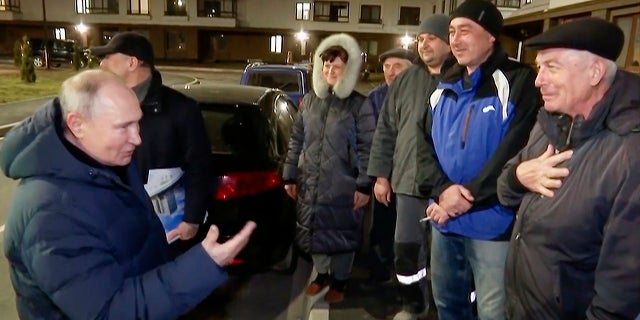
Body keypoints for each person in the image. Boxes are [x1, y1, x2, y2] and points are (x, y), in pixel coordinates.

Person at [0, 69, 256, 319]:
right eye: (123, 127)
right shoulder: (49, 215)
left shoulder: (107, 161)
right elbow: (109, 310)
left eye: (137, 123)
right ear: (77, 124)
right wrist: (203, 265)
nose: (137, 139)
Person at [497, 17, 640, 319]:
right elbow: (505, 192)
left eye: (552, 67)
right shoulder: (550, 122)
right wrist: (518, 176)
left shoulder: (630, 151)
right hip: (522, 306)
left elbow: (622, 284)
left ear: (595, 72)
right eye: (539, 67)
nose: (538, 80)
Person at [419, 1, 540, 319]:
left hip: (492, 222)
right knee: (447, 303)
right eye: (452, 32)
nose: (456, 39)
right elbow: (422, 147)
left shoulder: (518, 82)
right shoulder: (443, 86)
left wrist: (466, 197)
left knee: (493, 310)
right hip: (445, 221)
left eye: (466, 30)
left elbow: (517, 149)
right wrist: (443, 190)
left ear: (491, 37)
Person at [91, 32, 211, 247]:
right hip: (115, 225)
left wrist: (192, 219)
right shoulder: (101, 108)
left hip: (167, 231)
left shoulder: (182, 110)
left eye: (108, 56)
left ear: (132, 62)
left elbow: (199, 168)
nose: (102, 64)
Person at [368, 14, 451, 320]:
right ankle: (413, 306)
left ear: (448, 41)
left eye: (432, 37)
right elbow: (386, 130)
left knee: (447, 257)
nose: (424, 43)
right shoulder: (406, 81)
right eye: (421, 38)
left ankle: (451, 310)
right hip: (407, 183)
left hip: (448, 189)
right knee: (406, 253)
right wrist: (381, 176)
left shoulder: (462, 78)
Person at [282, 33, 376, 304]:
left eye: (337, 66)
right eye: (326, 66)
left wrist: (363, 184)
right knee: (314, 231)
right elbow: (297, 139)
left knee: (343, 234)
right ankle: (322, 274)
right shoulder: (310, 101)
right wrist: (290, 174)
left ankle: (341, 280)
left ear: (349, 71)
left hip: (343, 185)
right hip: (311, 182)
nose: (330, 71)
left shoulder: (359, 104)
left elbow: (367, 146)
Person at [363, 47, 416, 287]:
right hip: (386, 176)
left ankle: (408, 279)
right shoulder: (375, 97)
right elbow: (374, 139)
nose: (391, 72)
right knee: (382, 226)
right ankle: (380, 272)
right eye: (386, 67)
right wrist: (380, 176)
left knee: (409, 232)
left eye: (398, 66)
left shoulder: (421, 94)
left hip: (413, 177)